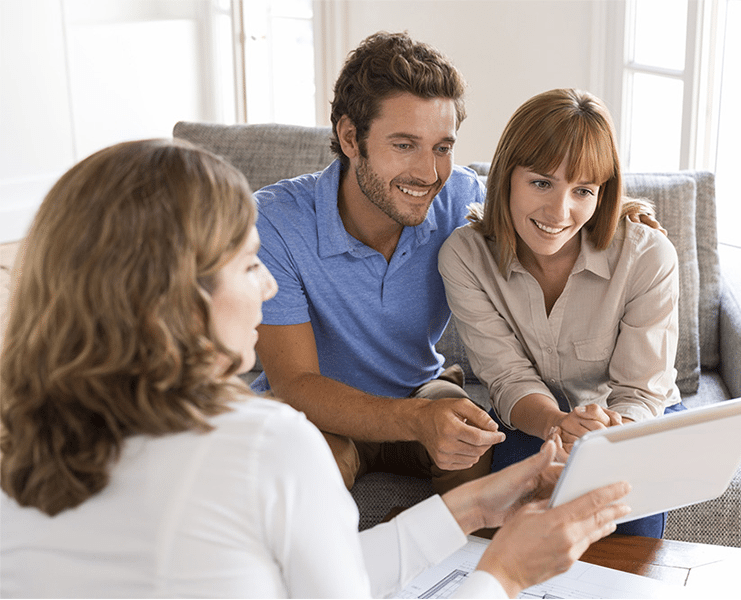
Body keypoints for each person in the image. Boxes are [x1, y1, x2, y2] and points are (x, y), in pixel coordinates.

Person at [0, 138, 633, 599]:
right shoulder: (262, 444)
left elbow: (320, 576)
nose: (271, 285)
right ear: (178, 294)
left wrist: (467, 509)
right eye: (249, 265)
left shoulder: (22, 440)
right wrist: (506, 574)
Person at [250, 31, 659, 492]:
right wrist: (417, 419)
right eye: (404, 145)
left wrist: (617, 214)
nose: (428, 174)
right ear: (350, 137)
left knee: (473, 438)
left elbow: (533, 214)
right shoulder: (275, 223)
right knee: (313, 467)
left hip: (420, 388)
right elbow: (295, 384)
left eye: (442, 147)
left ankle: (452, 561)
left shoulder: (458, 197)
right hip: (318, 412)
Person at [438, 89, 685, 539]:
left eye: (583, 191)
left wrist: (606, 436)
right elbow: (509, 378)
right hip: (536, 418)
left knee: (627, 523)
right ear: (507, 175)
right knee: (515, 527)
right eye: (541, 183)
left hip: (625, 419)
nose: (559, 211)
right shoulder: (465, 256)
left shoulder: (647, 256)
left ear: (601, 194)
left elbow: (640, 391)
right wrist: (558, 424)